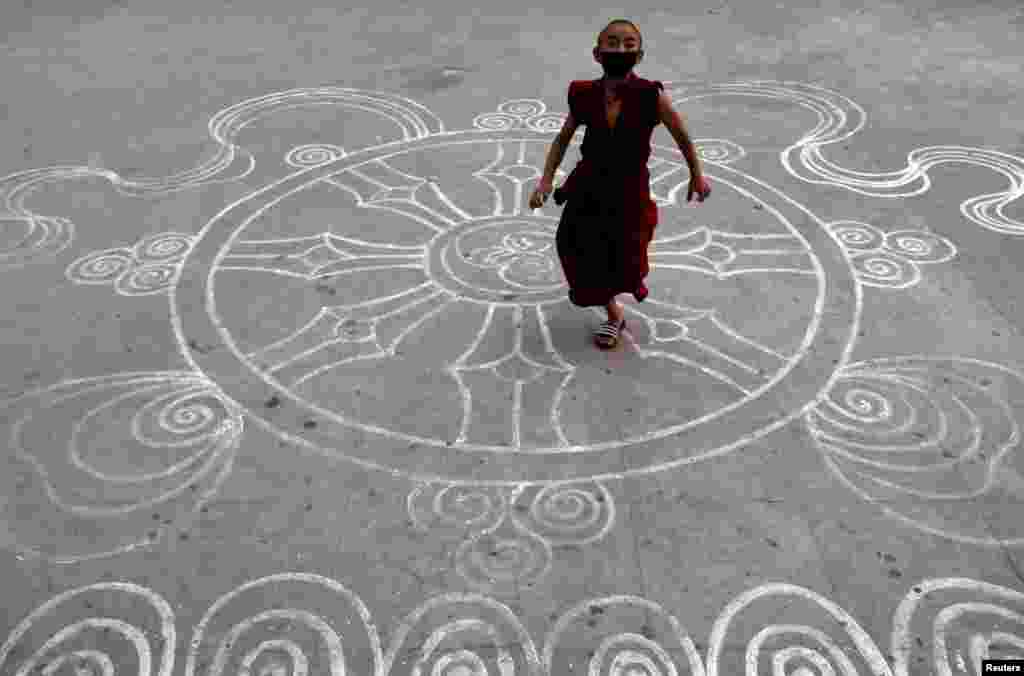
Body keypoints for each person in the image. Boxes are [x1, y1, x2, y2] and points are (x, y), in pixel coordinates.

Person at [529, 19, 711, 349]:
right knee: (572, 245)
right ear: (597, 54)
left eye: (629, 44)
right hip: (588, 186)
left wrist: (696, 174)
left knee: (622, 255)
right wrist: (545, 180)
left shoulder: (650, 95)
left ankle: (613, 317)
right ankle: (613, 311)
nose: (621, 49)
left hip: (629, 190)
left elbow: (681, 135)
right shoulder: (584, 94)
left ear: (639, 55)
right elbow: (563, 138)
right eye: (612, 43)